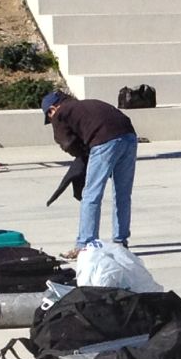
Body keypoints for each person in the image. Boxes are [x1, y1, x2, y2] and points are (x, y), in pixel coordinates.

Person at [41, 89, 137, 248]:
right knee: (122, 193)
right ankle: (120, 240)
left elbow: (67, 143)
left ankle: (85, 243)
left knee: (91, 194)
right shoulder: (86, 105)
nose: (51, 119)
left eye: (49, 116)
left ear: (52, 109)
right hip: (129, 136)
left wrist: (82, 155)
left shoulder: (61, 113)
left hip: (105, 140)